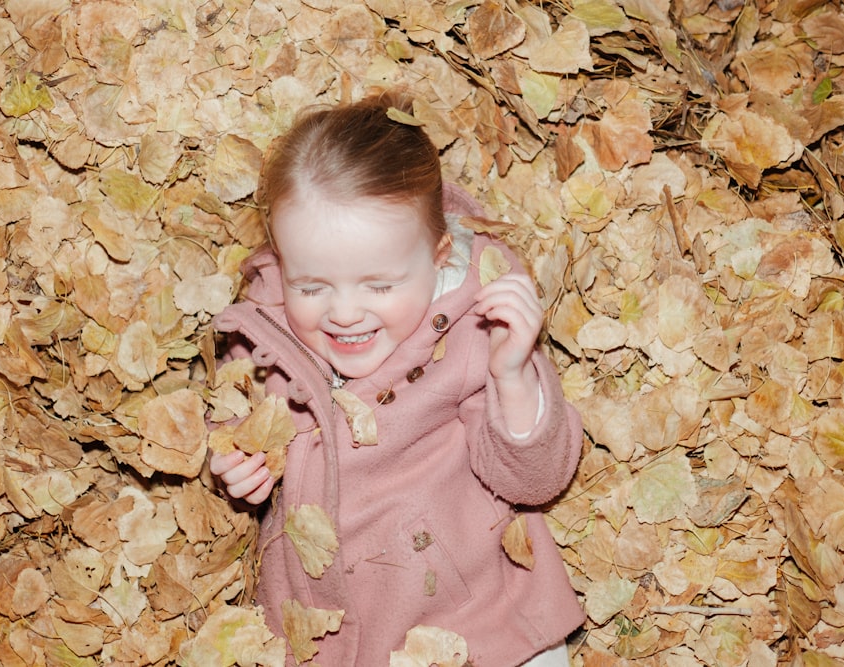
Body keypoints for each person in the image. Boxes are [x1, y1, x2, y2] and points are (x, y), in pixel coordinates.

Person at [209, 91, 584, 666]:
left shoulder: (473, 332)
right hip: (328, 630)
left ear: (437, 256)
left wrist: (512, 377)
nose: (344, 313)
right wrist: (239, 458)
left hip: (477, 615)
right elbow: (237, 411)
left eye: (379, 286)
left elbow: (535, 482)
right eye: (311, 286)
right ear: (282, 262)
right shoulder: (263, 333)